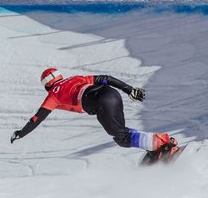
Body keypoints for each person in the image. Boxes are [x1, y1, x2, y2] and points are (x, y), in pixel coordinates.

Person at [10, 68, 179, 162]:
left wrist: (20, 133)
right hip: (112, 93)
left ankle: (163, 145)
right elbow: (106, 78)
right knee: (122, 132)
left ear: (47, 85)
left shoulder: (53, 95)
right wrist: (129, 90)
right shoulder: (75, 78)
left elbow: (37, 119)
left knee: (121, 138)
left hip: (100, 103)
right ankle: (155, 145)